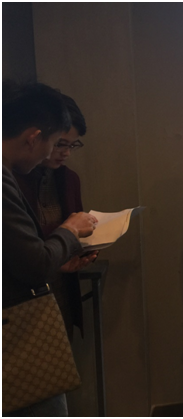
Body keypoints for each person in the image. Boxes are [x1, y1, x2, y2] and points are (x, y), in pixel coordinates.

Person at [2, 80, 97, 416]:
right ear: (33, 137)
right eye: (56, 143)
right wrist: (69, 231)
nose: (55, 153)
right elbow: (34, 264)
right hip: (18, 324)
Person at [15, 94, 97, 340]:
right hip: (21, 305)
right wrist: (68, 231)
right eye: (60, 144)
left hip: (59, 291)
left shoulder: (68, 179)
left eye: (72, 145)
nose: (65, 153)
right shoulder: (12, 179)